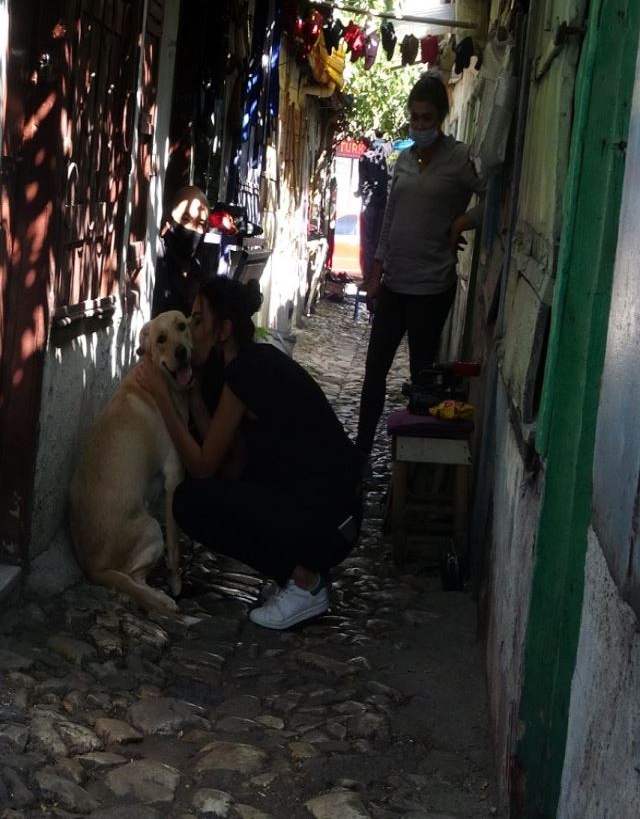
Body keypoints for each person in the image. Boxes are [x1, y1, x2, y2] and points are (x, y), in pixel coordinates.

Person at [135, 276, 362, 629]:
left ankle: (305, 583)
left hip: (331, 521)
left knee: (189, 503)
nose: (190, 332)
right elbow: (232, 464)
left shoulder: (247, 371)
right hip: (337, 515)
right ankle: (297, 574)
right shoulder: (252, 362)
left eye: (197, 320)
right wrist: (192, 394)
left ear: (223, 331)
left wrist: (163, 396)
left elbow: (203, 466)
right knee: (222, 494)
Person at [356, 72, 486, 464]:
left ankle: (412, 463)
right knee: (374, 370)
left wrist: (462, 223)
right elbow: (390, 218)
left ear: (442, 117)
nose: (419, 125)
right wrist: (376, 274)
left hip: (432, 287)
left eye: (427, 118)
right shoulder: (404, 159)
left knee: (421, 378)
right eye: (414, 118)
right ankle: (359, 454)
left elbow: (492, 198)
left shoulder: (460, 158)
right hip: (395, 282)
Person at [152, 185, 211, 316]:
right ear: (169, 220)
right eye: (186, 219)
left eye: (200, 224)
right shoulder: (154, 260)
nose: (192, 227)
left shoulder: (199, 273)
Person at [357, 130, 391, 281]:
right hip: (382, 203)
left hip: (369, 205)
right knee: (379, 240)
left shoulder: (364, 158)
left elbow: (363, 184)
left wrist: (359, 193)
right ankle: (377, 277)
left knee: (367, 241)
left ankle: (368, 276)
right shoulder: (384, 156)